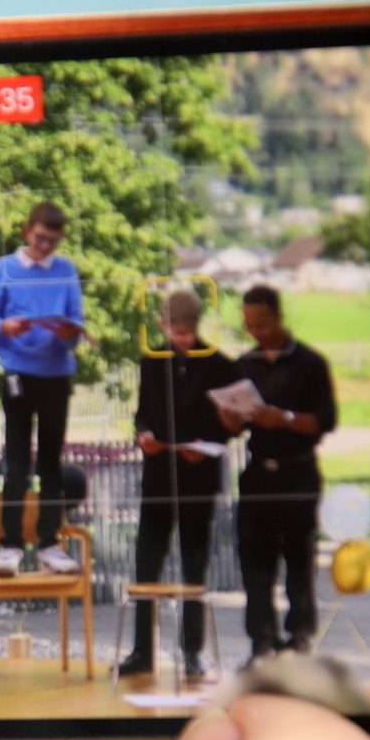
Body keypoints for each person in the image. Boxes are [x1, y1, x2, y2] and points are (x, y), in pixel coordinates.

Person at [119, 290, 239, 680]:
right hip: (158, 478)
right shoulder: (152, 361)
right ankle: (142, 651)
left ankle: (191, 652)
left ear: (197, 326)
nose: (182, 339)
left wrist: (206, 444)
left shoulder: (219, 364)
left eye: (187, 332)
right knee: (146, 565)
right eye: (175, 331)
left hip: (198, 478)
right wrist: (143, 435)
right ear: (162, 325)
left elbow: (231, 422)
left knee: (194, 567)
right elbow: (142, 413)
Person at [216, 285, 337, 662]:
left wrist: (283, 418)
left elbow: (325, 421)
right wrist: (229, 418)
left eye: (263, 324)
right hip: (258, 474)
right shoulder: (245, 364)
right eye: (249, 325)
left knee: (299, 559)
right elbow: (233, 429)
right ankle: (261, 642)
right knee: (254, 560)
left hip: (298, 472)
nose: (256, 332)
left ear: (280, 318)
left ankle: (299, 638)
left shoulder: (311, 363)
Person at [0, 201, 85, 578]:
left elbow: (77, 326)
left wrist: (68, 333)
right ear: (27, 232)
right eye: (40, 239)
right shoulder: (5, 268)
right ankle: (10, 546)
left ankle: (49, 546)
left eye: (53, 242)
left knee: (51, 463)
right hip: (18, 374)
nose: (45, 248)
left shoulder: (66, 270)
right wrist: (4, 328)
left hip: (56, 375)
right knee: (17, 463)